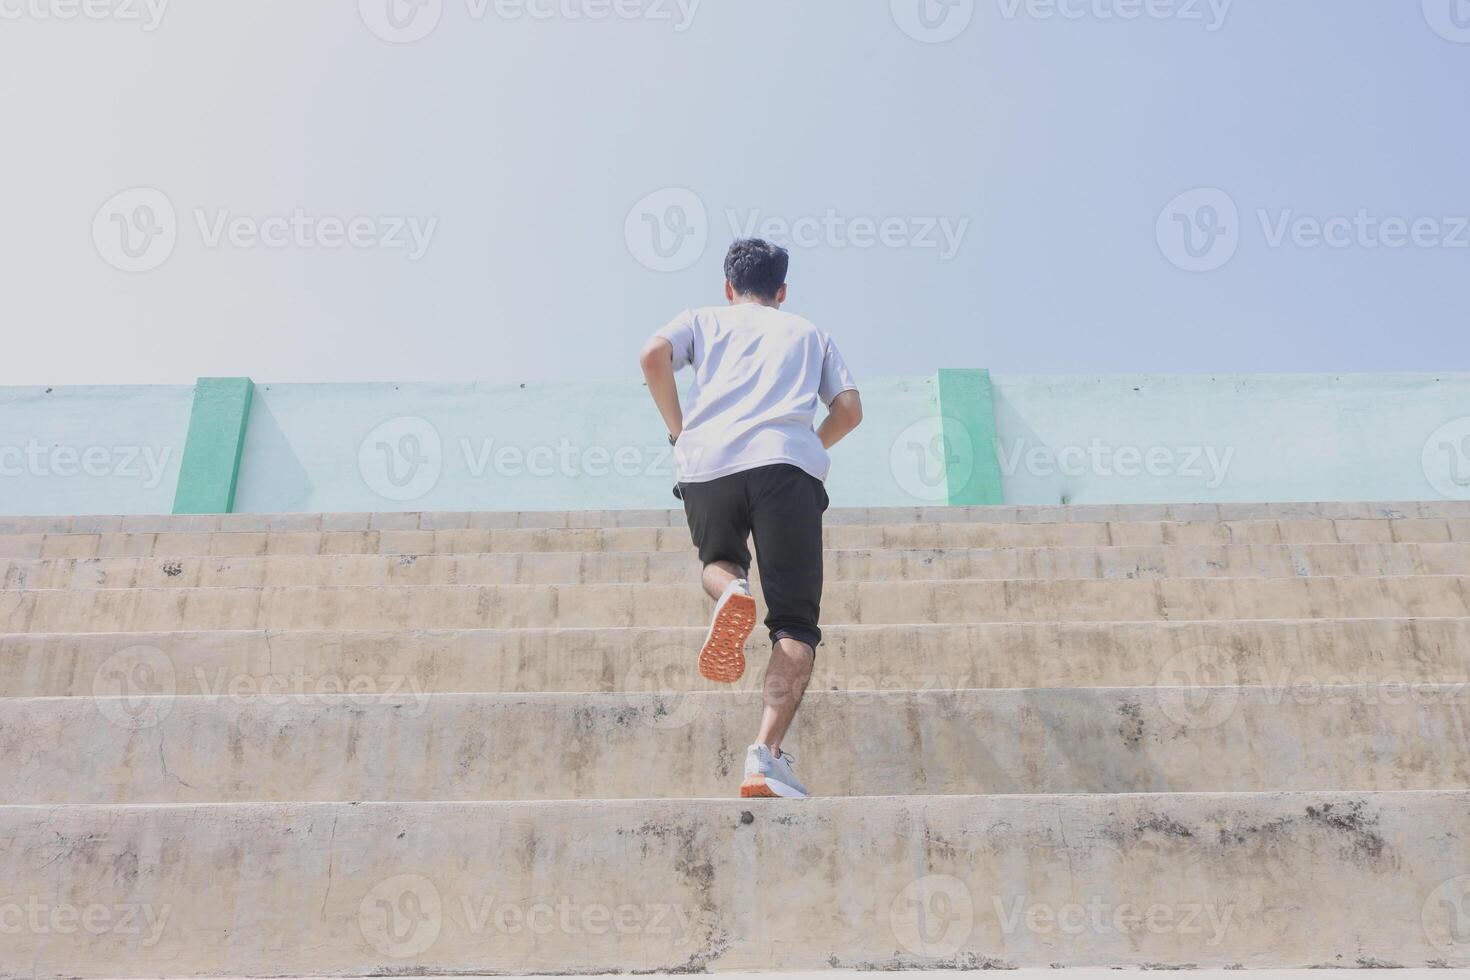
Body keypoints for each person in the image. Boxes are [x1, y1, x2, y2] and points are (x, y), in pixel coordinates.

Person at [638, 238, 863, 799]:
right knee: (793, 625)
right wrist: (805, 443)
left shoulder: (703, 319)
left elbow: (651, 355)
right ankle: (765, 758)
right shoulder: (812, 333)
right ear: (782, 291)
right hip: (786, 467)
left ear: (728, 287)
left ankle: (730, 590)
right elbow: (850, 410)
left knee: (716, 562)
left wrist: (680, 429)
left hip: (708, 461)